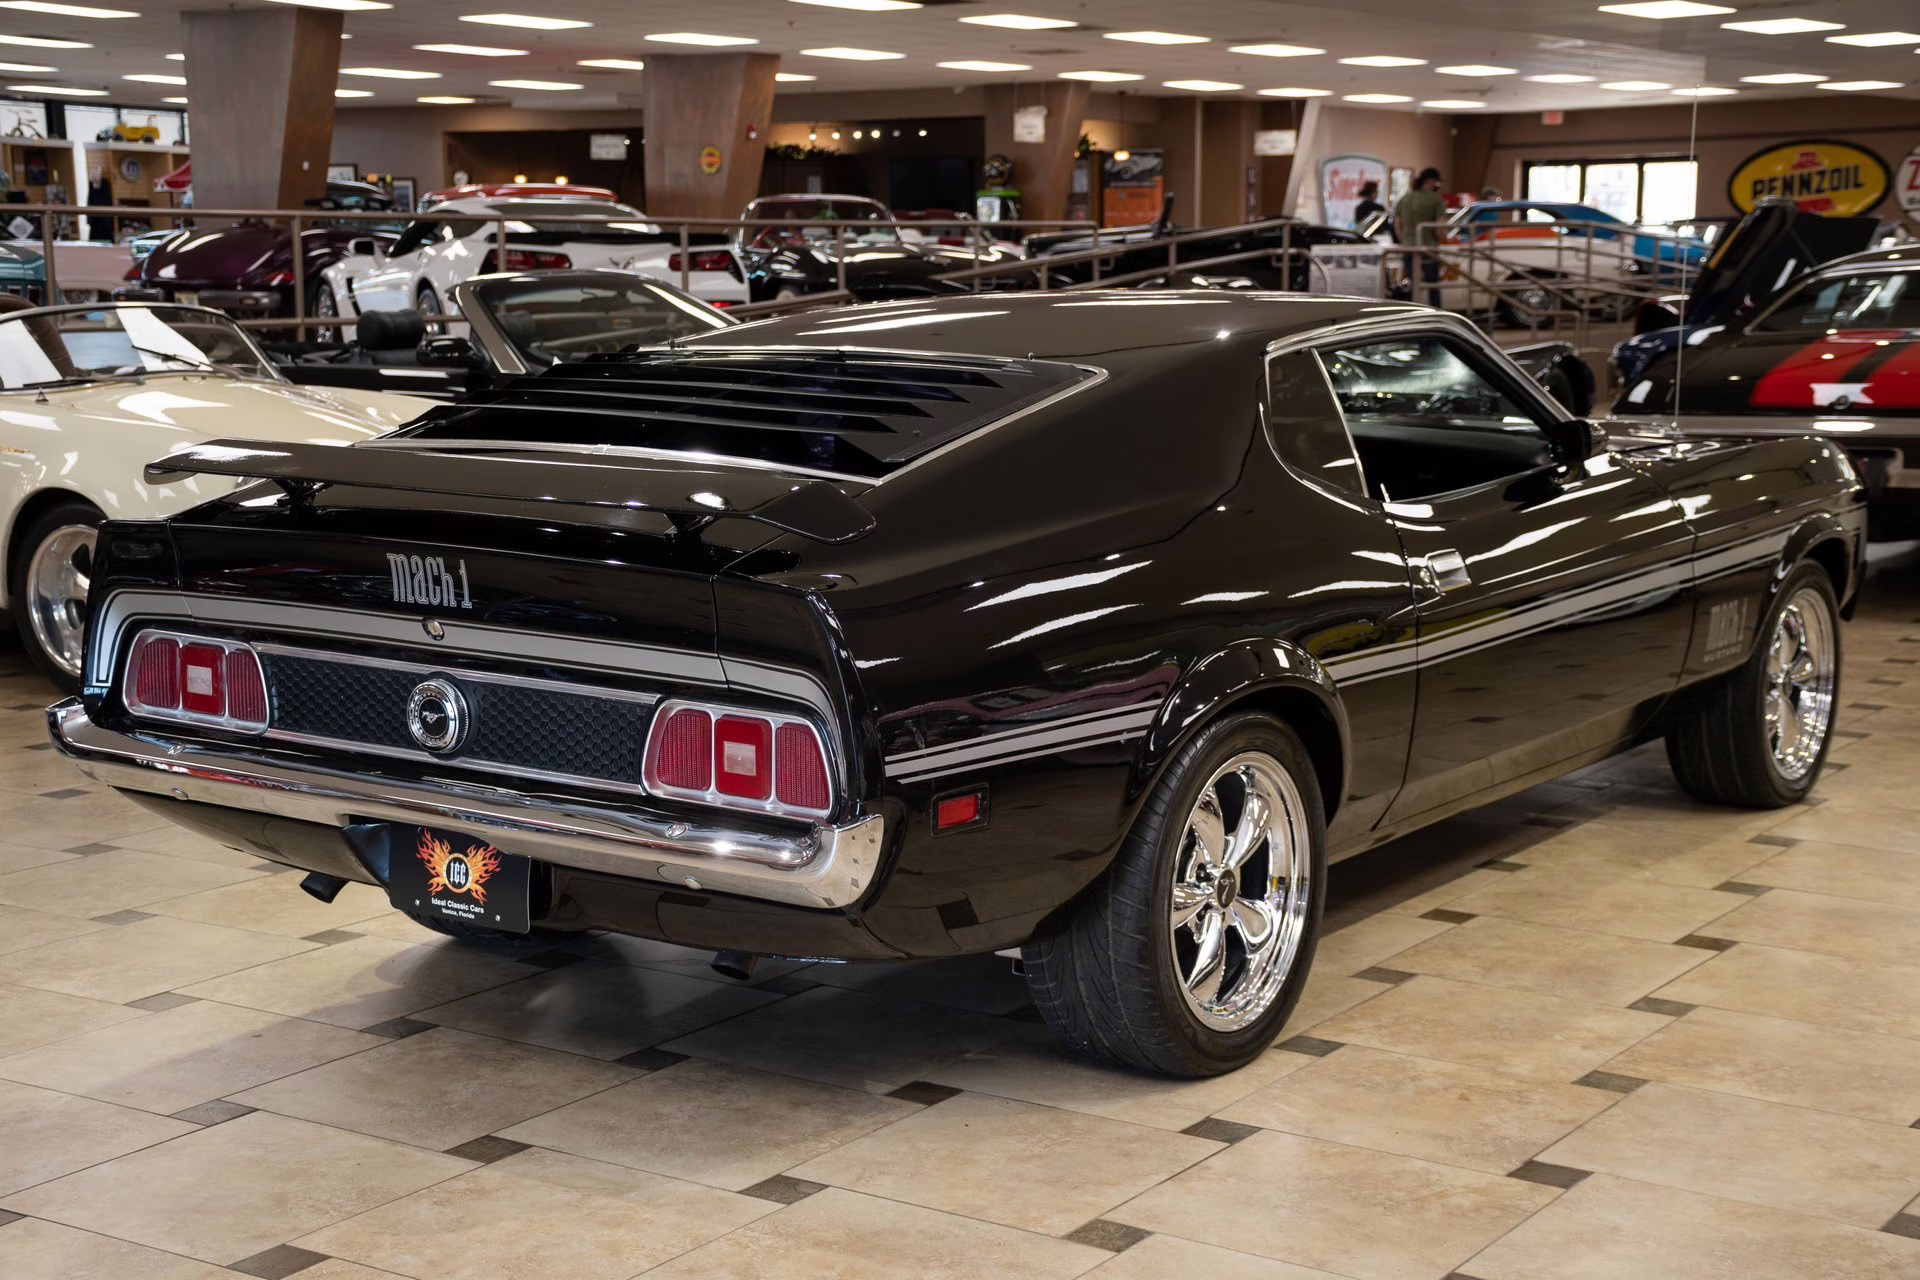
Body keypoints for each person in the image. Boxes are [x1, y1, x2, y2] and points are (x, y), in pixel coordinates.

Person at [1395, 167, 1448, 305]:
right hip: (1428, 249)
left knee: (1413, 285)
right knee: (1433, 285)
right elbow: (1440, 228)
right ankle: (1436, 311)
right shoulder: (1436, 200)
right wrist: (1443, 240)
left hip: (1409, 248)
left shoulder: (1405, 198)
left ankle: (1415, 311)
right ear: (1432, 181)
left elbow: (1397, 224)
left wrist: (1405, 241)